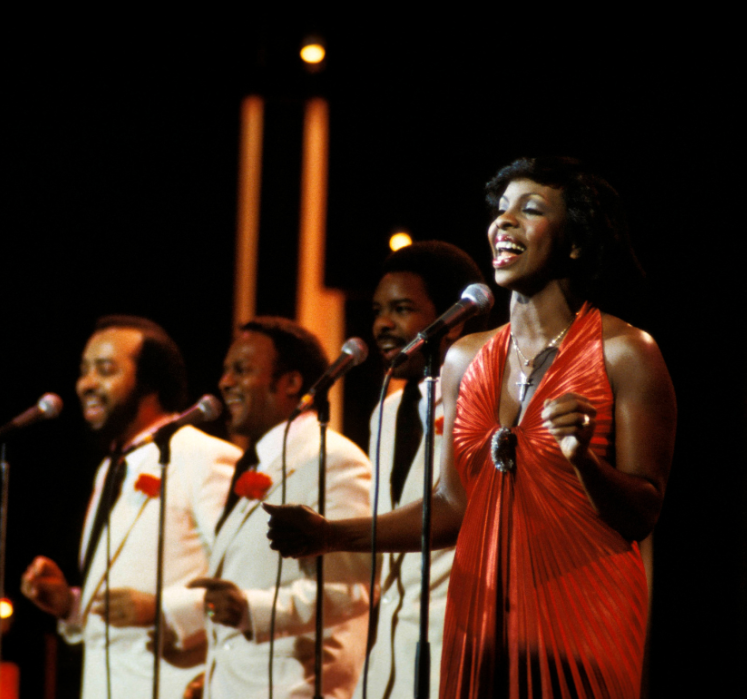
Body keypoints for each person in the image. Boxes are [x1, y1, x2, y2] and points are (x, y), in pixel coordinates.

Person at [267, 158, 676, 699]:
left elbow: (643, 511)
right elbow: (452, 506)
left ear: (575, 243)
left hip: (579, 617)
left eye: (529, 210)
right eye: (500, 210)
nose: (503, 222)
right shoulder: (464, 358)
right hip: (479, 617)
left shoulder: (626, 353)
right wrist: (328, 535)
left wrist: (584, 462)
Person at [20, 315, 239, 699]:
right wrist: (71, 605)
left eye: (105, 370)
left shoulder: (204, 458)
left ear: (150, 384)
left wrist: (163, 609)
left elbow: (245, 585)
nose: (86, 383)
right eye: (84, 370)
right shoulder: (110, 469)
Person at [164, 317, 374, 698]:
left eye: (241, 370)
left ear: (291, 383)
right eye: (226, 370)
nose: (225, 382)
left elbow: (353, 589)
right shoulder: (257, 463)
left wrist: (249, 608)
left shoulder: (333, 460)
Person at [362, 241, 484, 699]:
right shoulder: (386, 411)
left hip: (457, 643)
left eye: (402, 309)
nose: (382, 325)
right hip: (386, 657)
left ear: (455, 318)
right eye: (378, 310)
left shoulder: (479, 397)